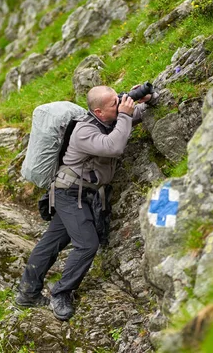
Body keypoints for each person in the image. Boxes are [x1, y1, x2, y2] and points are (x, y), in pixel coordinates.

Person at [15, 85, 156, 321]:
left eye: (119, 98)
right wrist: (124, 115)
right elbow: (114, 146)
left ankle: (27, 294)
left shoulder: (110, 120)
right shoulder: (84, 131)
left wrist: (148, 100)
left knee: (52, 242)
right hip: (68, 192)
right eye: (114, 102)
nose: (120, 102)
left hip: (81, 192)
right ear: (99, 112)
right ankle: (61, 293)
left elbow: (135, 116)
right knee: (87, 244)